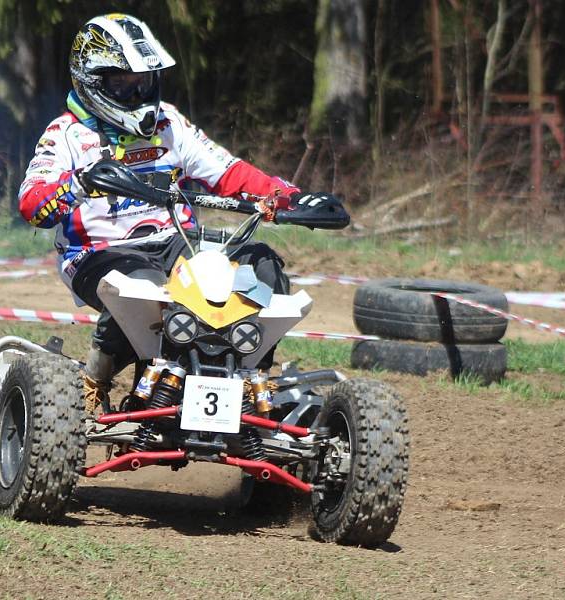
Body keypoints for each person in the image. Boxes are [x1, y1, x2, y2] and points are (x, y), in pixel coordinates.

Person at [18, 13, 339, 412]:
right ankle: (95, 379)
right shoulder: (65, 134)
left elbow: (228, 172)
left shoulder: (169, 124)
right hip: (98, 253)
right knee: (145, 285)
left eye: (144, 82)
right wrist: (79, 184)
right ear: (93, 82)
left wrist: (286, 196)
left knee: (261, 266)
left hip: (177, 245)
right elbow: (32, 203)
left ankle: (249, 382)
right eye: (124, 83)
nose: (138, 92)